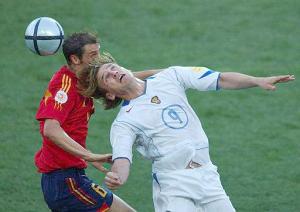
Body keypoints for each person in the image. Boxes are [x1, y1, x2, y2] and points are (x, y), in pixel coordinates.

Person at [77, 55, 295, 212]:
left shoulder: (171, 77)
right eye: (108, 77)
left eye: (114, 67)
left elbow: (220, 79)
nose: (115, 73)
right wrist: (118, 177)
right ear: (110, 94)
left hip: (208, 175)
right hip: (173, 184)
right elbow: (123, 158)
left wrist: (256, 81)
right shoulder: (124, 123)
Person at [35, 32, 158, 212]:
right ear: (75, 59)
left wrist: (172, 73)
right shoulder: (65, 86)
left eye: (98, 53)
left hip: (70, 179)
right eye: (92, 55)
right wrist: (90, 156)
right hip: (65, 182)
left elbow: (127, 78)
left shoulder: (84, 81)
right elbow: (51, 129)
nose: (98, 59)